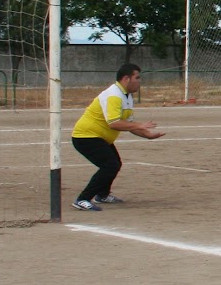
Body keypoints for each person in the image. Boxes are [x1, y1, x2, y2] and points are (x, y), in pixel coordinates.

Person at [70, 63, 164, 212]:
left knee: (114, 164)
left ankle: (102, 195)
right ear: (126, 79)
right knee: (110, 165)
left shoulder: (126, 96)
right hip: (86, 137)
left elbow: (129, 124)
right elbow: (114, 123)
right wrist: (141, 126)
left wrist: (148, 136)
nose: (139, 81)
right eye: (137, 78)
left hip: (100, 138)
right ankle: (82, 199)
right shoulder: (114, 95)